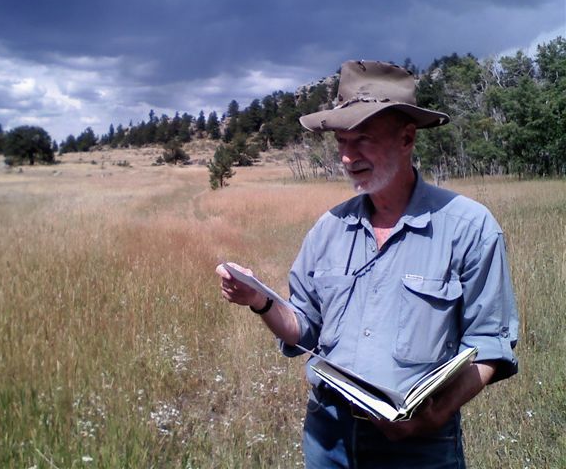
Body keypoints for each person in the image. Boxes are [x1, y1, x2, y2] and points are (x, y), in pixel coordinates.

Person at [216, 60, 518, 468]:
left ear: (407, 138)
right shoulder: (328, 229)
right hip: (327, 435)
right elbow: (304, 329)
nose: (346, 156)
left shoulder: (469, 227)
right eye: (341, 141)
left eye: (362, 139)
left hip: (420, 445)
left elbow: (489, 344)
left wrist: (436, 414)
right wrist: (260, 301)